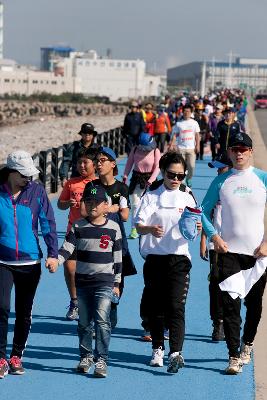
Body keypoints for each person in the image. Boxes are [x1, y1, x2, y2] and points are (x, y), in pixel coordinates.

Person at [202, 132, 267, 374]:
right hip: (229, 254)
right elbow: (202, 210)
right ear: (229, 153)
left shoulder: (262, 178)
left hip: (258, 256)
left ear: (250, 152)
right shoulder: (221, 182)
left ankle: (247, 344)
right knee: (230, 306)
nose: (239, 153)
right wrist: (214, 237)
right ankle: (232, 356)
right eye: (235, 149)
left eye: (243, 149)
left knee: (254, 306)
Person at [135, 151, 202, 373]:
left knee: (176, 306)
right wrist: (149, 229)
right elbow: (138, 224)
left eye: (180, 176)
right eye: (171, 174)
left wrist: (198, 228)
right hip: (155, 258)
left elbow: (195, 221)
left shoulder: (187, 194)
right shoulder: (152, 194)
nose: (175, 179)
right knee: (156, 308)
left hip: (179, 259)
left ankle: (176, 352)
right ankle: (157, 348)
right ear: (163, 172)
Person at [0, 150, 58, 379]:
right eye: (24, 175)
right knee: (2, 308)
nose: (28, 179)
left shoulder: (36, 192)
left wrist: (53, 253)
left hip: (30, 260)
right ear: (11, 173)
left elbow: (48, 223)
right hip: (2, 260)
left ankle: (16, 355)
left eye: (30, 174)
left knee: (24, 312)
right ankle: (1, 357)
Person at [58, 182, 122, 378]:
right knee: (84, 322)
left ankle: (101, 358)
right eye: (88, 201)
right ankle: (86, 356)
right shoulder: (78, 226)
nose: (93, 205)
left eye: (97, 202)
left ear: (106, 205)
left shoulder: (113, 228)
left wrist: (117, 283)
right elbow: (67, 247)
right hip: (83, 282)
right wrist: (57, 260)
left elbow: (118, 257)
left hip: (104, 281)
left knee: (102, 320)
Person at [93, 147, 136, 329]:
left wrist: (113, 208)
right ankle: (99, 313)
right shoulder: (92, 187)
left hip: (117, 239)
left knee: (119, 276)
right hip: (95, 240)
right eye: (97, 160)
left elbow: (125, 215)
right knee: (96, 277)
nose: (99, 163)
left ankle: (113, 306)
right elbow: (87, 211)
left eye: (103, 160)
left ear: (113, 164)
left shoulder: (121, 188)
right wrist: (110, 208)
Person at [57, 148, 96, 320]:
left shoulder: (99, 184)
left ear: (94, 164)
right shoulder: (71, 183)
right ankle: (74, 302)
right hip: (73, 232)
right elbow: (60, 204)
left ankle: (93, 304)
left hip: (94, 233)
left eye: (85, 162)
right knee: (69, 267)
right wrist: (68, 202)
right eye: (79, 162)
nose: (81, 166)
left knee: (92, 272)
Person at [200, 152, 232, 342]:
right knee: (216, 285)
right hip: (216, 244)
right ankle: (217, 323)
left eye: (222, 167)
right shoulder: (215, 186)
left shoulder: (237, 186)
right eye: (217, 168)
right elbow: (206, 213)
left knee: (233, 285)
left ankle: (230, 321)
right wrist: (204, 240)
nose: (219, 171)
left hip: (236, 245)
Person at [123, 133, 160, 239]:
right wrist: (125, 175)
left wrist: (151, 179)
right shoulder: (135, 149)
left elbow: (158, 167)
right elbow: (129, 163)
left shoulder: (155, 151)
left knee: (151, 204)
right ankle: (134, 229)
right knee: (135, 205)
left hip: (150, 180)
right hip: (136, 179)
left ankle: (149, 227)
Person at [169, 104, 200, 188]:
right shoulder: (179, 123)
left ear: (191, 112)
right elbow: (175, 135)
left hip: (191, 148)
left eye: (188, 111)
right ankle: (181, 181)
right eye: (185, 111)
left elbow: (197, 135)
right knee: (180, 167)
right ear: (182, 112)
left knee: (191, 166)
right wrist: (171, 145)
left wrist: (198, 146)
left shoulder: (194, 123)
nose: (186, 113)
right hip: (181, 148)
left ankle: (189, 178)